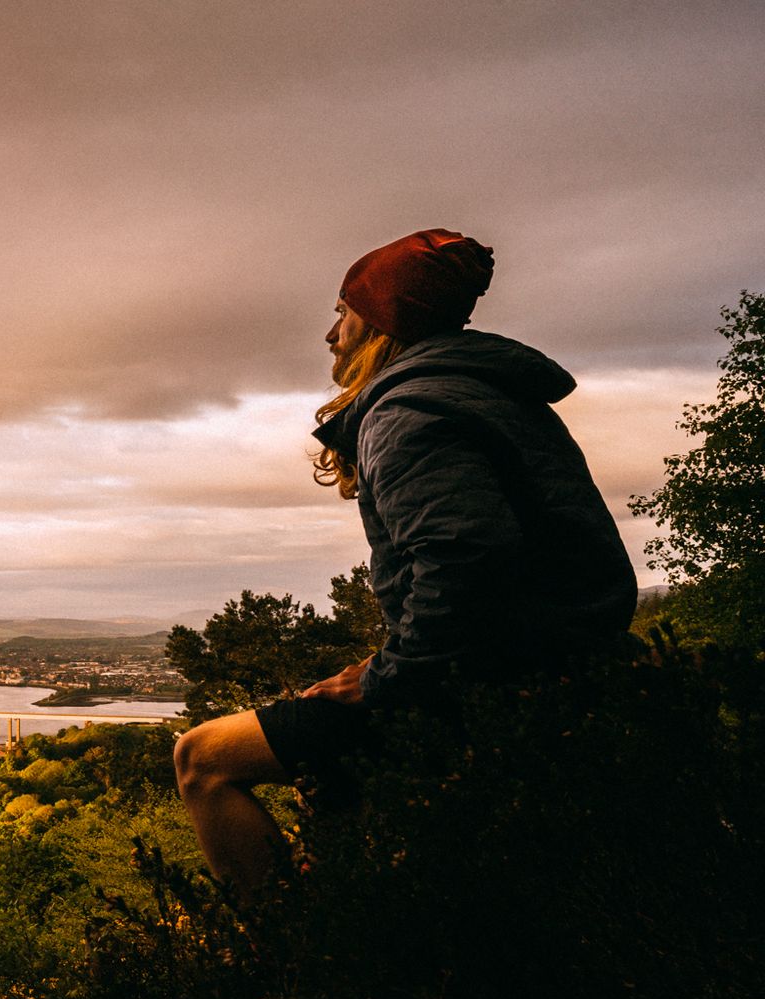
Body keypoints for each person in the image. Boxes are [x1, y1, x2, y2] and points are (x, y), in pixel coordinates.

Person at [173, 228, 637, 893]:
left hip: (489, 688)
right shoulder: (490, 394)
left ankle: (285, 958)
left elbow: (466, 558)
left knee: (202, 758)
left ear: (383, 321)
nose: (330, 334)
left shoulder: (405, 410)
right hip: (558, 668)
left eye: (344, 312)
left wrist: (387, 678)